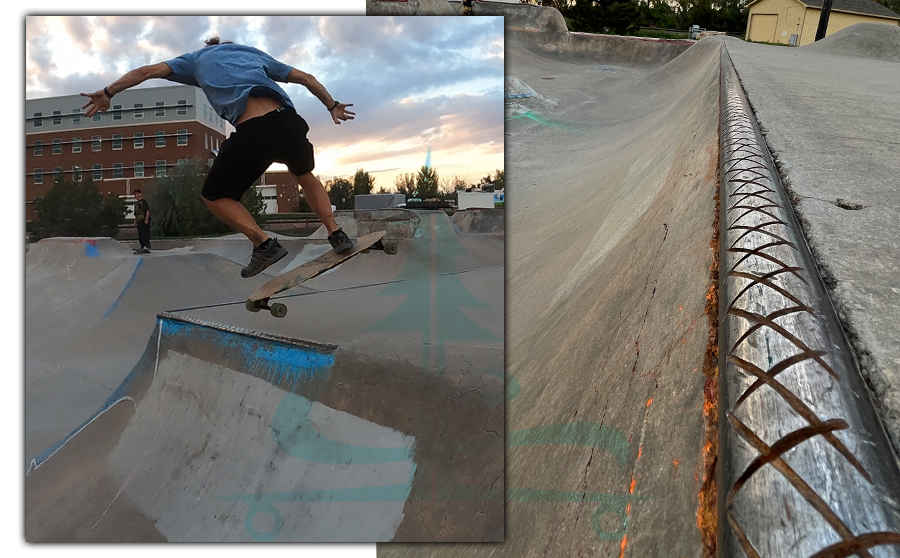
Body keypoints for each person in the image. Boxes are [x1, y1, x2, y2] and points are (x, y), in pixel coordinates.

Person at [80, 37, 356, 278]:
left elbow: (147, 71)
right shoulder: (252, 54)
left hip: (253, 130)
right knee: (303, 175)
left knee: (214, 195)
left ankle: (264, 245)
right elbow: (307, 78)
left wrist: (107, 93)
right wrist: (332, 106)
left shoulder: (196, 58)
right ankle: (336, 233)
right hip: (289, 122)